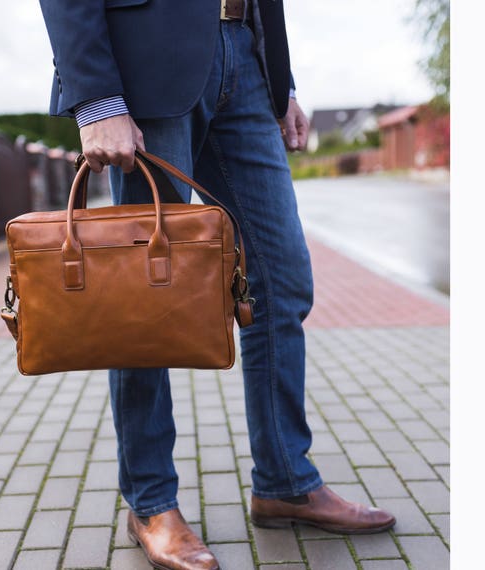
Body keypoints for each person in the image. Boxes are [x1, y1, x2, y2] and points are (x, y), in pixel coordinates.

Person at [38, 1, 396, 568]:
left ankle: (285, 482)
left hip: (246, 61)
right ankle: (151, 502)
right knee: (141, 302)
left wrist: (281, 83)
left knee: (281, 280)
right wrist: (96, 96)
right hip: (147, 63)